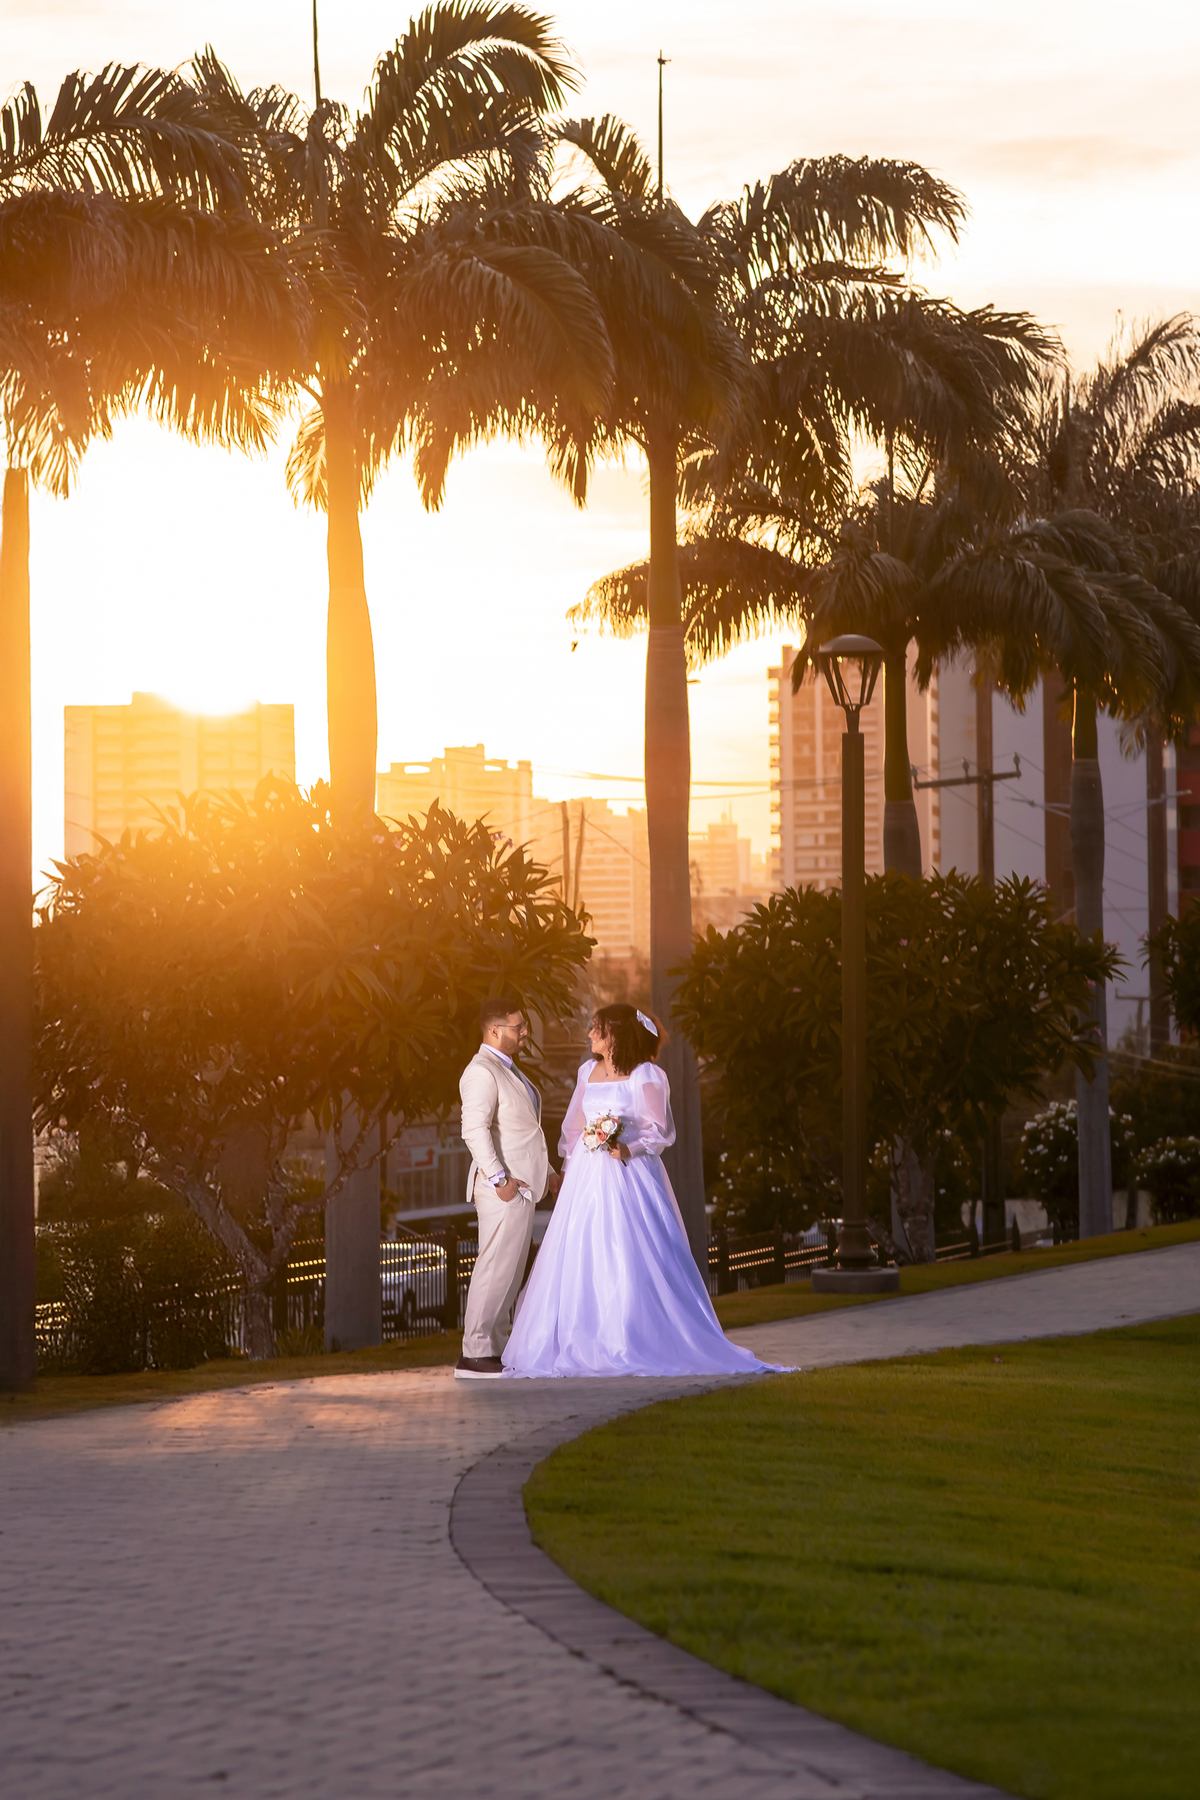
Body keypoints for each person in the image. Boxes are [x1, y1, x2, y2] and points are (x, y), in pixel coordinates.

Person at [502, 1004, 779, 1379]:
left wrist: (627, 1147)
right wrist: (566, 1170)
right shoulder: (587, 1070)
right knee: (582, 1249)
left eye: (597, 1029)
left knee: (631, 1249)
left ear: (615, 1034)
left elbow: (659, 1129)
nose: (590, 1036)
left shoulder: (647, 1075)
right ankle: (582, 1335)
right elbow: (574, 1127)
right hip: (587, 1175)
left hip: (628, 1172)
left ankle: (635, 1335)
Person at [455, 995, 559, 1380]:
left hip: (524, 1186)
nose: (524, 1032)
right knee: (495, 1267)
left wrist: (547, 1172)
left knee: (511, 1272)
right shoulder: (481, 1071)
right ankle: (475, 1353)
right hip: (504, 1189)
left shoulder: (510, 1070)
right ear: (495, 1031)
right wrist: (500, 1179)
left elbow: (521, 1133)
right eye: (518, 1028)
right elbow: (473, 1130)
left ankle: (493, 1351)